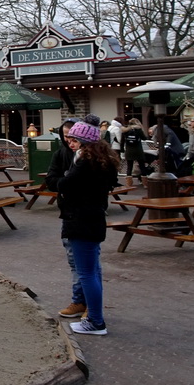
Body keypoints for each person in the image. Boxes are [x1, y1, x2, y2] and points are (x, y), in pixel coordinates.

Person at [57, 119, 119, 336]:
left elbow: (64, 183)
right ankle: (93, 317)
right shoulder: (104, 161)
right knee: (91, 271)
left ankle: (95, 320)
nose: (70, 143)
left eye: (74, 139)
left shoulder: (85, 162)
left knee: (86, 272)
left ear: (84, 141)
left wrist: (64, 180)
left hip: (80, 219)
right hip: (94, 218)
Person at [119, 118, 148, 187]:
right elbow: (144, 138)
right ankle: (145, 183)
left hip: (129, 151)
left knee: (129, 167)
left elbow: (122, 142)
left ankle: (129, 183)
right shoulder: (138, 130)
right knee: (142, 166)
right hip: (138, 150)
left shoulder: (125, 131)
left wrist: (122, 151)